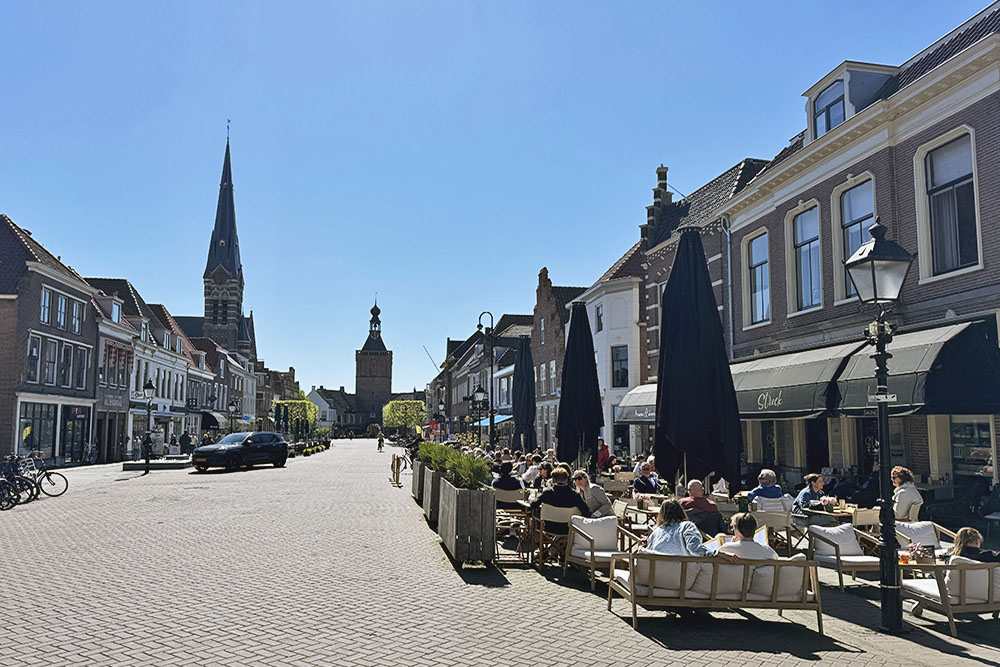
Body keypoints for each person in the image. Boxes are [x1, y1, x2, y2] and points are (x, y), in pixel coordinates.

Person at [530, 468, 590, 534]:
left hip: (549, 529)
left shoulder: (547, 493)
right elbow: (586, 512)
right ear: (567, 480)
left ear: (553, 480)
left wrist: (531, 499)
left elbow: (533, 504)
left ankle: (538, 540)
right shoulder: (574, 495)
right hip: (568, 530)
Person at [645, 499, 713, 556]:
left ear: (661, 515)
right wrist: (713, 553)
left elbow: (648, 552)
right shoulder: (687, 526)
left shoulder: (656, 532)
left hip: (656, 569)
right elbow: (694, 549)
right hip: (682, 570)